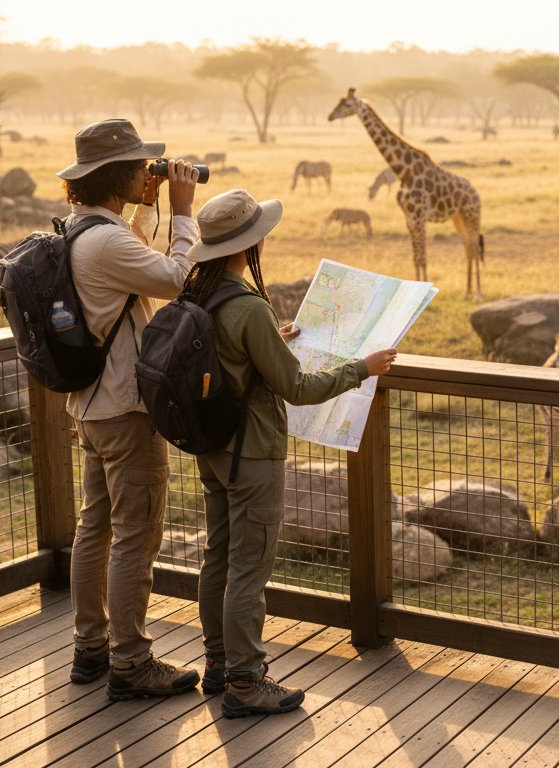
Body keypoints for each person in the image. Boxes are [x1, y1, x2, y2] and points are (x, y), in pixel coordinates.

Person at [183, 189, 396, 718]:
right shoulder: (248, 305)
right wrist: (362, 368)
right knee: (250, 569)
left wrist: (271, 340)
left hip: (212, 449)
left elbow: (231, 361)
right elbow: (297, 387)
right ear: (250, 243)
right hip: (251, 454)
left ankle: (217, 664)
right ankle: (246, 681)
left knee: (220, 557)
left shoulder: (197, 294)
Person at [57, 118, 205, 699]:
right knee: (136, 536)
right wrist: (184, 209)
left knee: (94, 529)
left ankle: (90, 648)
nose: (153, 174)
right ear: (122, 176)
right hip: (125, 408)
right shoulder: (106, 241)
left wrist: (147, 204)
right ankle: (131, 662)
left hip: (91, 408)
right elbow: (177, 277)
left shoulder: (79, 231)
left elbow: (131, 252)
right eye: (143, 168)